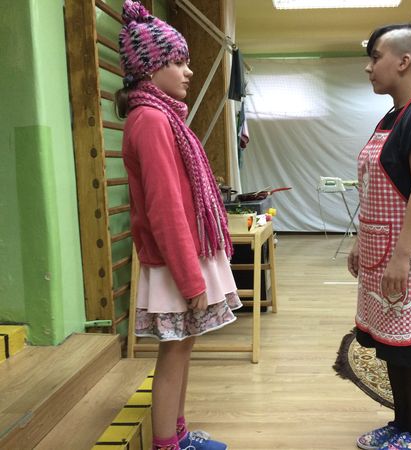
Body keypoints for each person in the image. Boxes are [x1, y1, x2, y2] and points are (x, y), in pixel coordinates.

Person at [116, 1, 241, 449]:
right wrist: (190, 279)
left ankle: (179, 435)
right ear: (150, 69)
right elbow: (165, 208)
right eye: (178, 62)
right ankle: (167, 444)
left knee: (182, 347)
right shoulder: (151, 120)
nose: (188, 71)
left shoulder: (161, 116)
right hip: (175, 262)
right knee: (174, 352)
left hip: (181, 257)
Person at [348, 23, 411, 450]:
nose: (369, 66)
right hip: (382, 251)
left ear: (405, 61)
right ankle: (399, 424)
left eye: (376, 57)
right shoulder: (393, 116)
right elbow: (374, 188)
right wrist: (361, 240)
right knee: (393, 344)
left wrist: (401, 257)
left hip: (410, 253)